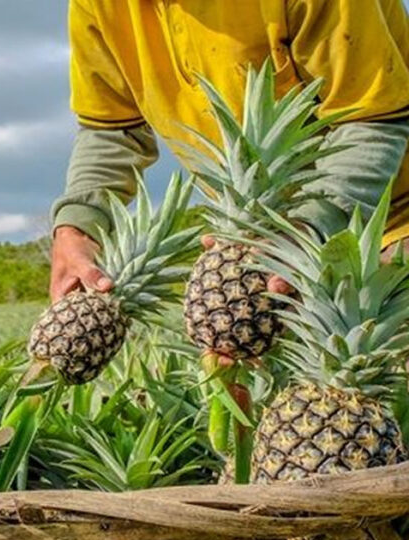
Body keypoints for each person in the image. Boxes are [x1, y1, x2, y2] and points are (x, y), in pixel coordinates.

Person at [51, 0, 409, 363]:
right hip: (260, 243)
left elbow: (373, 118)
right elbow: (113, 130)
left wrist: (305, 229)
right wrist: (77, 226)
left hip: (393, 223)